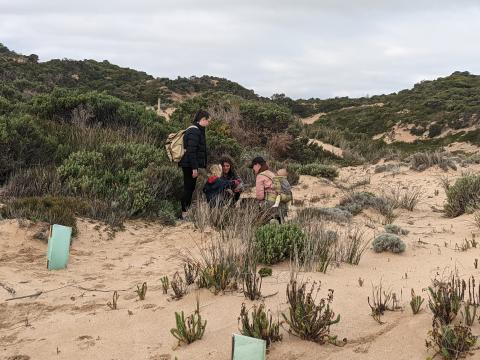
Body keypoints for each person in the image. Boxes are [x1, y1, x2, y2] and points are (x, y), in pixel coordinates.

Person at [179, 109, 210, 219]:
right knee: (188, 188)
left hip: (189, 164)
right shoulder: (194, 131)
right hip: (189, 165)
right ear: (202, 119)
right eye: (208, 120)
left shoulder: (197, 130)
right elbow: (191, 151)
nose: (208, 123)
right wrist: (194, 168)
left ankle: (185, 212)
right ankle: (184, 213)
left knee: (190, 188)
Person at [250, 156, 287, 223]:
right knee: (278, 224)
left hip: (269, 204)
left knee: (262, 222)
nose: (252, 169)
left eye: (253, 166)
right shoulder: (271, 173)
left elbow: (260, 196)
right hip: (280, 203)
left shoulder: (260, 176)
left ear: (257, 165)